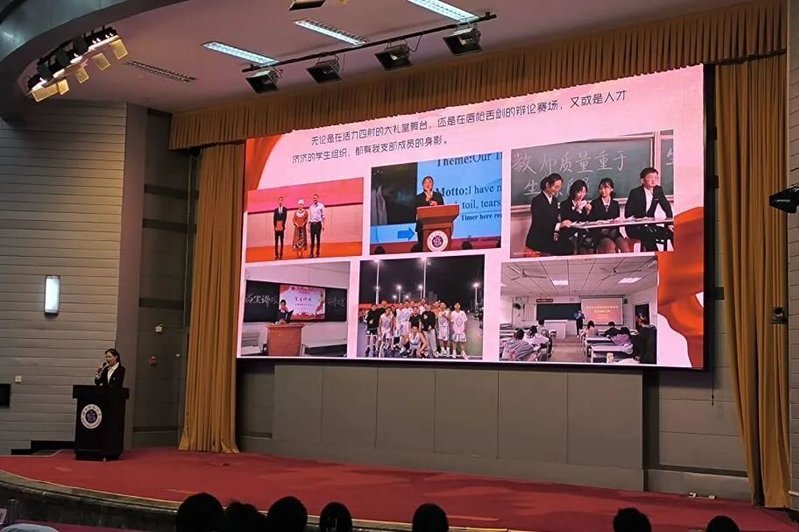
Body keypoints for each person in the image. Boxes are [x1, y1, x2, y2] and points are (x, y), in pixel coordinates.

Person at [625, 167, 674, 251]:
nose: (653, 180)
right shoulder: (635, 192)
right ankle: (657, 256)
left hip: (651, 226)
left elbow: (667, 208)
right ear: (642, 180)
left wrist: (669, 224)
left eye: (656, 177)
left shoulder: (658, 190)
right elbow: (627, 213)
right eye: (650, 177)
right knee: (648, 235)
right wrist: (640, 219)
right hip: (636, 228)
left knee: (672, 233)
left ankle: (680, 255)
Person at [525, 173, 573, 255]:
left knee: (569, 245)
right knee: (564, 248)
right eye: (556, 187)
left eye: (559, 188)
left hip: (550, 236)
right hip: (538, 238)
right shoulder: (537, 201)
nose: (557, 190)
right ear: (547, 185)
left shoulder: (554, 201)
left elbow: (555, 220)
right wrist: (559, 225)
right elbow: (539, 223)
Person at [589, 178, 632, 253]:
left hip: (614, 233)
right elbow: (592, 221)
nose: (603, 191)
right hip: (600, 234)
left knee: (625, 246)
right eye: (601, 188)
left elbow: (617, 220)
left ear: (611, 189)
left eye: (606, 188)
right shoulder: (594, 203)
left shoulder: (615, 204)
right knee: (610, 246)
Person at [559, 179, 593, 254]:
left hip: (582, 233)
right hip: (569, 233)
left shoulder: (585, 204)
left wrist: (588, 212)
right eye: (579, 192)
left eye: (584, 192)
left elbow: (587, 221)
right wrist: (576, 210)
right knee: (573, 244)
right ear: (574, 191)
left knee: (588, 246)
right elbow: (567, 219)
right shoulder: (565, 204)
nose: (581, 195)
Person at [415, 176, 445, 250]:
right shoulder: (418, 197)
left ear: (432, 184)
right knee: (422, 248)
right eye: (425, 183)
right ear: (422, 185)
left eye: (429, 182)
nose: (427, 184)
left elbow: (443, 210)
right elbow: (416, 211)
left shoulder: (438, 196)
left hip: (436, 226)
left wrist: (437, 205)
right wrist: (426, 200)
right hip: (422, 227)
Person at [309, 193, 325, 258]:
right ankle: (311, 253)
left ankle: (317, 253)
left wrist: (323, 225)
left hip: (318, 224)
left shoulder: (321, 206)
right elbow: (310, 217)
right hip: (312, 225)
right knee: (312, 240)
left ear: (318, 198)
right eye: (313, 198)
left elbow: (323, 216)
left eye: (315, 198)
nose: (314, 199)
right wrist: (308, 226)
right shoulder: (311, 207)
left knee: (318, 239)